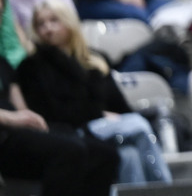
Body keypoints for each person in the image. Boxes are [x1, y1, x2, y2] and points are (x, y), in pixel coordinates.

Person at [18, 1, 171, 184]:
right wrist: (99, 114)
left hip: (101, 128)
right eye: (41, 24)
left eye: (54, 21)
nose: (48, 29)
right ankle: (166, 188)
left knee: (129, 155)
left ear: (69, 22)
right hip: (70, 132)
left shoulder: (94, 60)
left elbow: (119, 105)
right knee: (138, 125)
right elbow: (52, 112)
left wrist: (110, 116)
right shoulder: (33, 66)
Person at [0, 53, 119, 196]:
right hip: (4, 135)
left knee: (104, 154)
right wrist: (9, 117)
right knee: (69, 151)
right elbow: (15, 116)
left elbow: (18, 103)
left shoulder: (2, 62)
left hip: (17, 130)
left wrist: (28, 117)